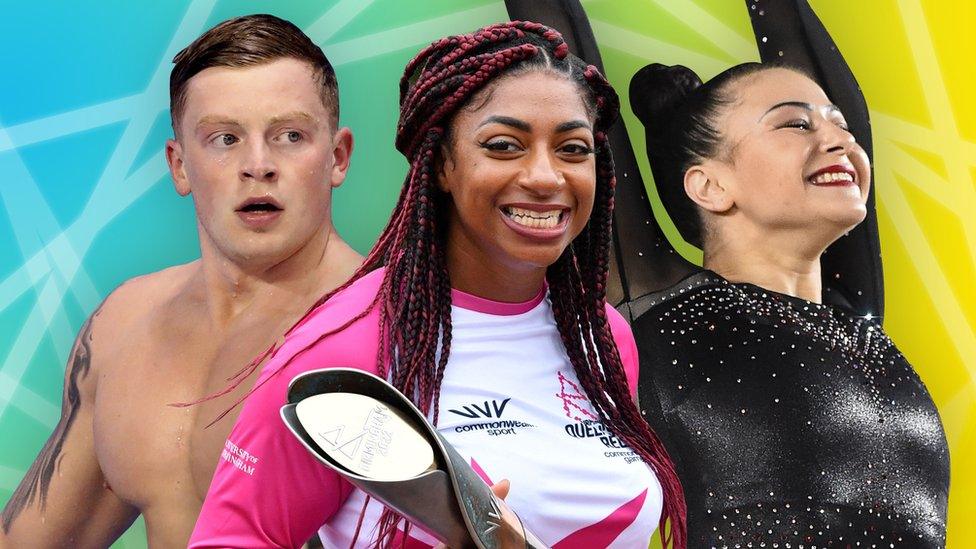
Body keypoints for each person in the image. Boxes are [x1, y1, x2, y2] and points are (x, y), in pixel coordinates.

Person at [190, 21, 687, 549]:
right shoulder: (351, 341)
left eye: (572, 149)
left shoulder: (602, 337)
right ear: (443, 165)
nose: (546, 177)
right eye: (503, 145)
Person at [0, 14, 362, 547]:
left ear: (337, 157)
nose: (257, 165)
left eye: (290, 136)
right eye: (224, 138)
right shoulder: (125, 326)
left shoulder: (394, 324)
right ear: (180, 165)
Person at [627, 47, 950, 549]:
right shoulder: (654, 303)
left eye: (841, 126)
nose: (840, 141)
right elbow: (569, 84)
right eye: (796, 125)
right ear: (709, 184)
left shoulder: (857, 322)